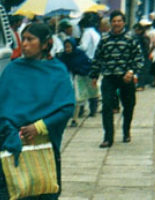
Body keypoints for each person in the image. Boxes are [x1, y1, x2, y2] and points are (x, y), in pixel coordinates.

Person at [0, 22, 74, 200]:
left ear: (46, 43)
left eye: (30, 39)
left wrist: (40, 127)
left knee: (48, 193)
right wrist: (10, 131)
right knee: (18, 196)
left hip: (44, 144)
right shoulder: (13, 69)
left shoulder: (57, 71)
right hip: (15, 143)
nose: (23, 44)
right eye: (22, 39)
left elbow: (66, 107)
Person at [90, 10, 144, 148]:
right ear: (111, 23)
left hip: (125, 77)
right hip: (109, 77)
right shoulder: (104, 39)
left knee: (129, 105)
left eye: (119, 21)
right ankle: (108, 137)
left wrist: (131, 72)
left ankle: (126, 131)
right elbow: (98, 58)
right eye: (114, 21)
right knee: (107, 106)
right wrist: (94, 75)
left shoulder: (130, 39)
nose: (116, 23)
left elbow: (138, 59)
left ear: (124, 23)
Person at [58, 38, 93, 126]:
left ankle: (74, 119)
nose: (67, 49)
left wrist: (78, 70)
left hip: (77, 80)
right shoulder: (63, 56)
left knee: (77, 100)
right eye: (66, 47)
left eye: (69, 47)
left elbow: (87, 66)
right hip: (66, 81)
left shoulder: (80, 55)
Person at [78, 12, 101, 116]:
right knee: (93, 85)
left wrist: (75, 47)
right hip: (95, 61)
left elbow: (84, 47)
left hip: (87, 62)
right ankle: (93, 108)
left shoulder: (87, 33)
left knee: (83, 85)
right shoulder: (96, 33)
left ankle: (81, 109)